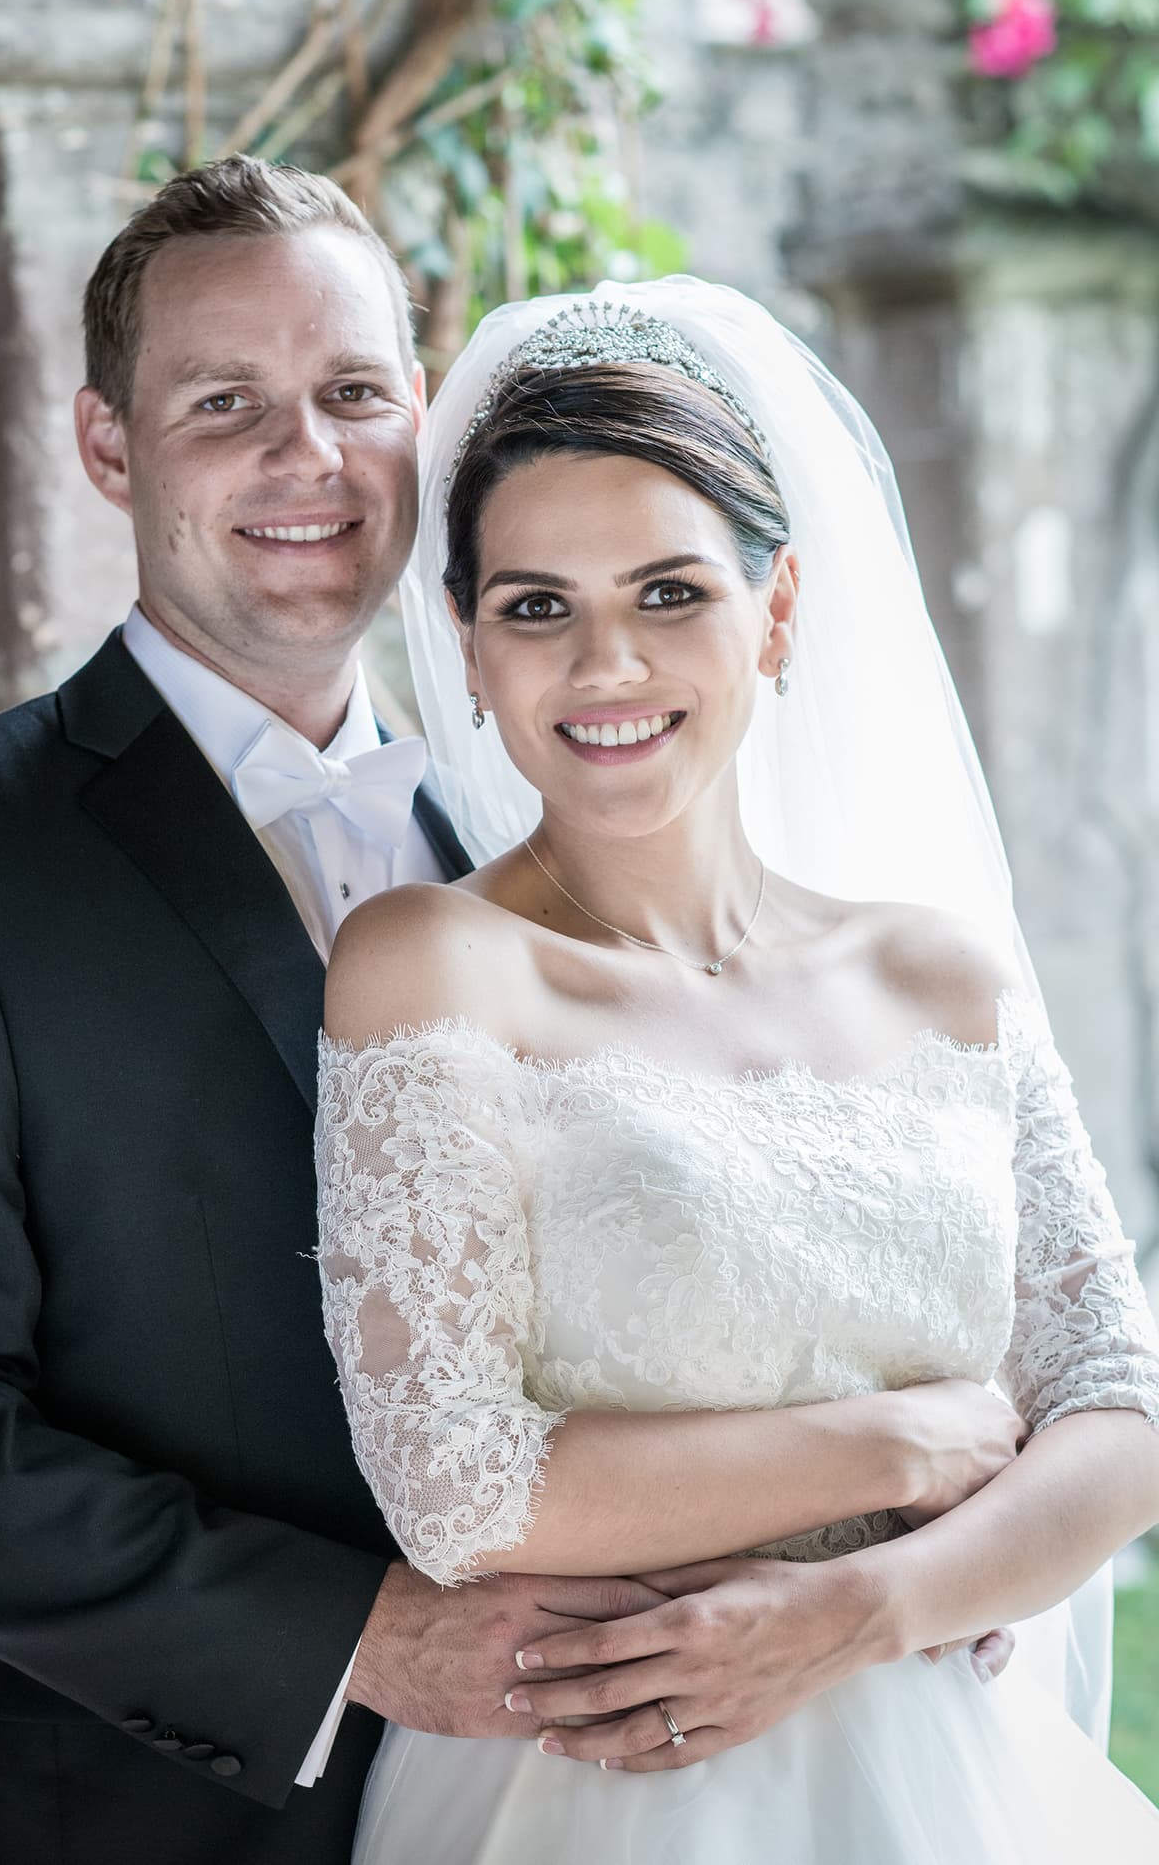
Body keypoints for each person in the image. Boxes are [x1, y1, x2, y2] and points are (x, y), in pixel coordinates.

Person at [0, 160, 672, 1865]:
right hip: (125, 1818)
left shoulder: (550, 824)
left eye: (352, 393)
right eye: (224, 401)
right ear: (107, 446)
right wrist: (353, 1639)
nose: (304, 458)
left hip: (559, 1804)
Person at [316, 280, 1159, 1861]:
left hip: (957, 1769)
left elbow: (1121, 1412)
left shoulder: (941, 972)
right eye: (537, 606)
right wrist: (915, 1441)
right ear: (475, 655)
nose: (606, 665)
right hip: (601, 1796)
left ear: (775, 615)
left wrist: (862, 1604)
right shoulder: (433, 965)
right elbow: (464, 1485)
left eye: (669, 591)